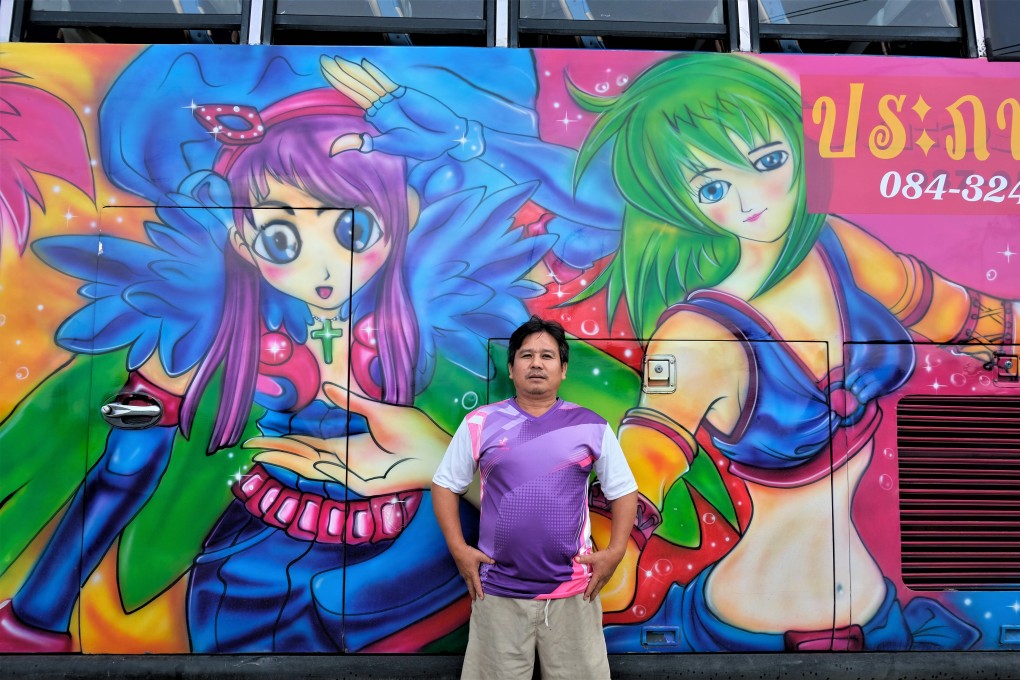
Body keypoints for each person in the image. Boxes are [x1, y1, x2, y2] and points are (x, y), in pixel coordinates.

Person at [0, 48, 553, 653]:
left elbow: (572, 208)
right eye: (282, 237)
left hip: (409, 556)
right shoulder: (224, 317)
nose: (322, 267)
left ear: (406, 218)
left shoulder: (421, 298)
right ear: (241, 235)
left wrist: (464, 140)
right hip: (261, 555)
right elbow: (126, 467)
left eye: (350, 230)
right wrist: (36, 616)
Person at [570, 53, 1013, 650]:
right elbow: (646, 457)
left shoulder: (837, 248)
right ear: (684, 205)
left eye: (768, 162)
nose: (752, 199)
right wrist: (605, 553)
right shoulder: (699, 333)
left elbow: (959, 314)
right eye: (715, 187)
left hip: (878, 614)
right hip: (747, 627)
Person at [432, 315, 638, 679]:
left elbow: (623, 490)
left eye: (547, 356)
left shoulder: (591, 426)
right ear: (511, 369)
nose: (537, 364)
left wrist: (616, 552)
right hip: (497, 592)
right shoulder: (481, 422)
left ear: (563, 369)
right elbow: (446, 484)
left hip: (574, 592)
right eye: (526, 356)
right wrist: (458, 549)